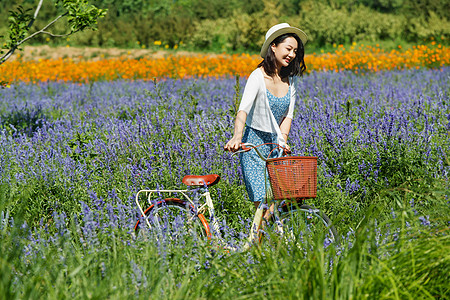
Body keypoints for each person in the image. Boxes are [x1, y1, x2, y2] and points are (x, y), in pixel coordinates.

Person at [224, 23, 308, 213]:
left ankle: (269, 240)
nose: (292, 55)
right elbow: (242, 111)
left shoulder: (291, 80)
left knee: (280, 203)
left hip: (276, 147)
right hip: (253, 146)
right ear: (273, 46)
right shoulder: (258, 77)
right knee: (263, 205)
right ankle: (260, 241)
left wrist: (282, 142)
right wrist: (237, 137)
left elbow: (288, 115)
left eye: (295, 51)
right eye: (288, 49)